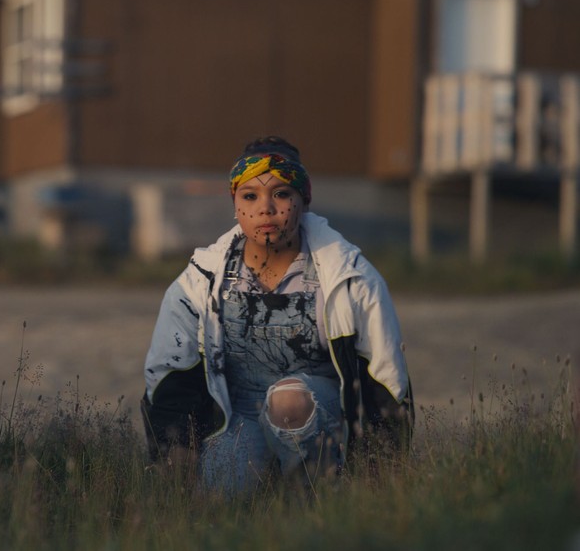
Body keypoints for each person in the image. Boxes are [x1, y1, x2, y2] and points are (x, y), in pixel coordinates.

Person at [141, 136, 412, 494]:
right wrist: (173, 455)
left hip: (318, 409)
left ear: (304, 200)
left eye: (282, 194)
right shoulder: (201, 281)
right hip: (240, 415)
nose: (265, 208)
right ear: (235, 204)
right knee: (217, 499)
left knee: (288, 400)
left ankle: (313, 498)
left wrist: (381, 465)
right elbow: (169, 371)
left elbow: (385, 375)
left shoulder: (349, 277)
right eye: (250, 196)